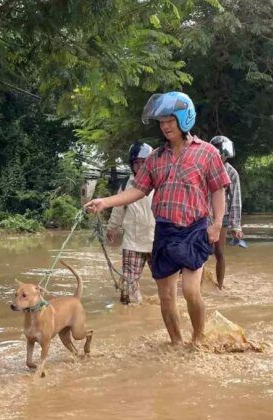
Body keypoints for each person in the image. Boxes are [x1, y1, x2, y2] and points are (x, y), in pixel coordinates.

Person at [86, 92, 230, 346]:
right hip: (163, 230)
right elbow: (138, 190)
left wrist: (217, 224)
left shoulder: (207, 153)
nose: (164, 127)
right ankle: (175, 343)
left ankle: (197, 340)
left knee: (190, 290)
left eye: (169, 121)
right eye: (161, 122)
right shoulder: (155, 158)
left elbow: (218, 189)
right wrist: (105, 202)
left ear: (184, 119)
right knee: (166, 296)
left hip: (194, 230)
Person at [106, 142, 155, 305]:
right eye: (136, 163)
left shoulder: (160, 181)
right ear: (132, 165)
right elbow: (118, 207)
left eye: (144, 162)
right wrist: (112, 227)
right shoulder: (127, 183)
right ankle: (133, 311)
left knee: (166, 283)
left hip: (158, 240)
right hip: (133, 241)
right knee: (127, 289)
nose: (140, 166)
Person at [209, 136, 243, 290]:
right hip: (202, 214)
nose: (222, 158)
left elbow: (235, 199)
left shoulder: (231, 173)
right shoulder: (204, 167)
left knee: (219, 252)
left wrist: (236, 226)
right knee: (200, 251)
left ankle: (220, 287)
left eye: (224, 155)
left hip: (222, 215)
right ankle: (197, 286)